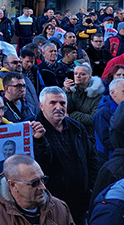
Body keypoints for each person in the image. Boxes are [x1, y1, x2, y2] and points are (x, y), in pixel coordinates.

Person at [35, 86, 97, 224]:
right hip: (50, 203)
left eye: (62, 103)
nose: (59, 107)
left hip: (80, 200)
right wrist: (39, 140)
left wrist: (90, 187)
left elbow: (91, 158)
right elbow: (40, 163)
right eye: (53, 103)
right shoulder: (31, 130)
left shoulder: (76, 127)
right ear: (41, 106)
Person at [0, 154, 74, 225]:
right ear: (13, 185)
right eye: (34, 183)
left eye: (43, 180)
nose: (42, 187)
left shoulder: (60, 207)